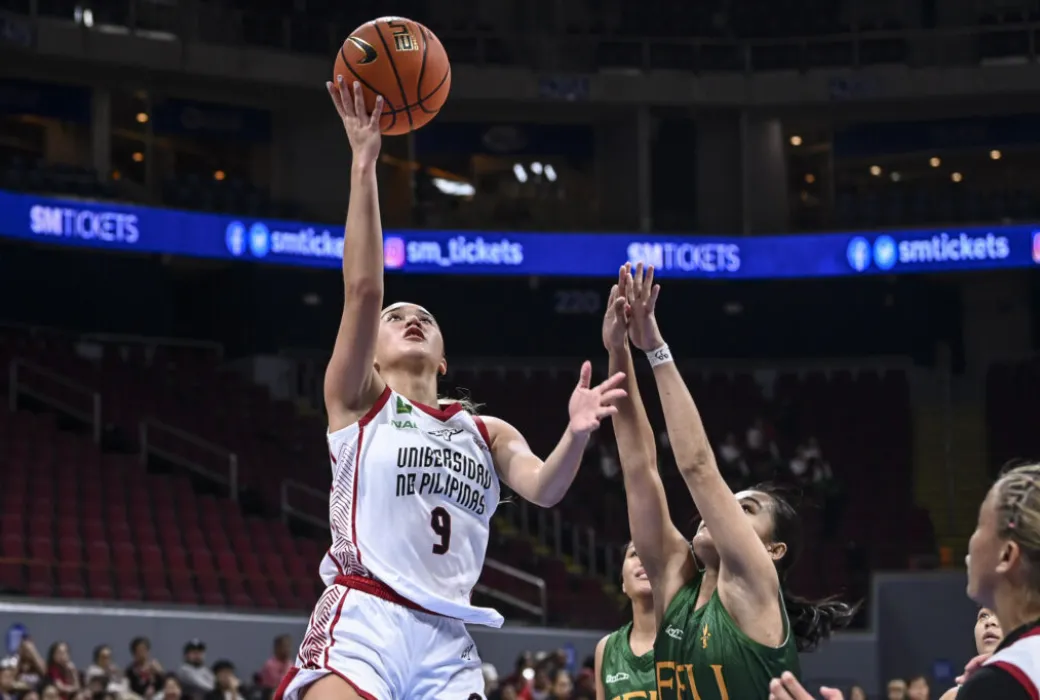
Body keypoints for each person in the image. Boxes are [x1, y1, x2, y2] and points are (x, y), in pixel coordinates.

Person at [273, 77, 626, 700]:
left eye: (424, 319)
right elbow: (363, 290)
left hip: (447, 641)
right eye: (396, 318)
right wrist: (364, 163)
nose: (410, 319)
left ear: (442, 359)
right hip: (364, 618)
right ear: (374, 356)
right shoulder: (357, 401)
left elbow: (545, 489)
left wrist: (573, 436)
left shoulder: (485, 432)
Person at [605, 263, 856, 700]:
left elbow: (698, 468)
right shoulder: (673, 585)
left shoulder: (755, 584)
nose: (715, 512)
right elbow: (639, 468)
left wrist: (656, 349)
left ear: (772, 550)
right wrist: (618, 350)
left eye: (745, 509)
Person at [768, 462, 1040, 700]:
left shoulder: (1001, 682)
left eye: (980, 526)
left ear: (1007, 555)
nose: (971, 541)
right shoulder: (1006, 672)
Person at [594, 542, 657, 700]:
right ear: (623, 583)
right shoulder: (606, 648)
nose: (643, 559)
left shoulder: (690, 638)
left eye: (652, 552)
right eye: (634, 554)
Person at [937, 607, 1004, 700]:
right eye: (983, 615)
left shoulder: (1029, 685)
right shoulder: (954, 697)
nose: (989, 622)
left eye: (1001, 614)